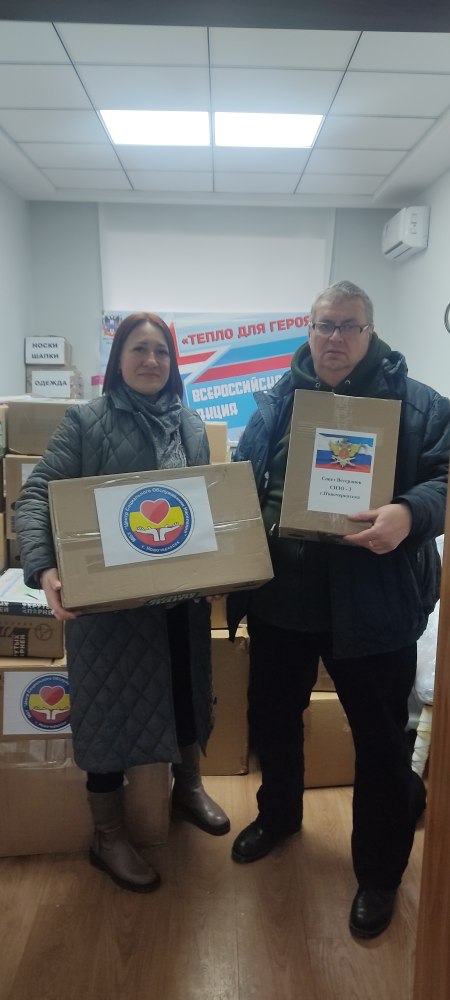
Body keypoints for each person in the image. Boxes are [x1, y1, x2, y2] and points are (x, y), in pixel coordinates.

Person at [227, 280, 450, 939]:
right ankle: (279, 815)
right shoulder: (278, 399)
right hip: (282, 600)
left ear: (369, 332)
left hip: (373, 606)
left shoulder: (420, 406)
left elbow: (444, 478)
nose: (334, 338)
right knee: (273, 719)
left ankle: (379, 873)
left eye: (349, 326)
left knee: (380, 743)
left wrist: (409, 513)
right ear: (309, 329)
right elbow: (245, 473)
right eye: (324, 325)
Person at [15, 312, 230, 893]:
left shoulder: (191, 424)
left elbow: (203, 506)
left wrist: (224, 563)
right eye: (139, 348)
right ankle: (107, 836)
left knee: (186, 696)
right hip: (109, 609)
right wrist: (45, 568)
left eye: (161, 351)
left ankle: (187, 789)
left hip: (180, 603)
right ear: (119, 359)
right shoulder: (86, 421)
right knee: (107, 716)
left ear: (173, 362)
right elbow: (35, 494)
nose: (151, 360)